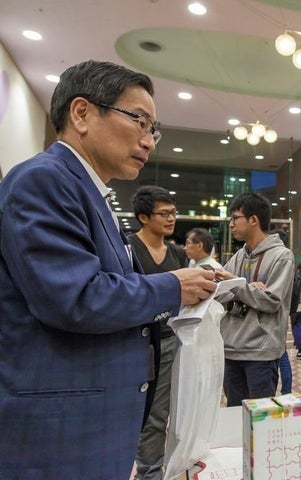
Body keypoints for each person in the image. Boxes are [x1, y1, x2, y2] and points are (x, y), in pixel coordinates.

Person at [0, 60, 216, 479]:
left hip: (95, 420)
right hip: (58, 431)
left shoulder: (94, 195)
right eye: (139, 120)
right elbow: (76, 298)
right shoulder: (43, 180)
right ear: (81, 113)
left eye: (154, 129)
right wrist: (173, 286)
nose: (148, 140)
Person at [128, 185, 188, 480]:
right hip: (135, 342)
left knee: (162, 413)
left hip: (171, 339)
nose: (171, 218)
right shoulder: (128, 249)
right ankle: (147, 471)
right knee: (138, 411)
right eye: (163, 213)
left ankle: (152, 471)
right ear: (143, 217)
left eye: (173, 213)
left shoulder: (177, 252)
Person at [215, 192, 295, 406]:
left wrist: (237, 284)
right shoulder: (239, 255)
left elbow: (270, 301)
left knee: (260, 420)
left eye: (235, 218)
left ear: (253, 220)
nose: (231, 224)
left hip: (261, 351)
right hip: (231, 347)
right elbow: (219, 292)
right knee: (233, 412)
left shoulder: (282, 256)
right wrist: (248, 288)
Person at [268, 227, 293, 394]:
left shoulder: (283, 258)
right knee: (283, 358)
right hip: (280, 320)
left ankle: (287, 391)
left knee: (282, 358)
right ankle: (287, 391)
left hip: (274, 323)